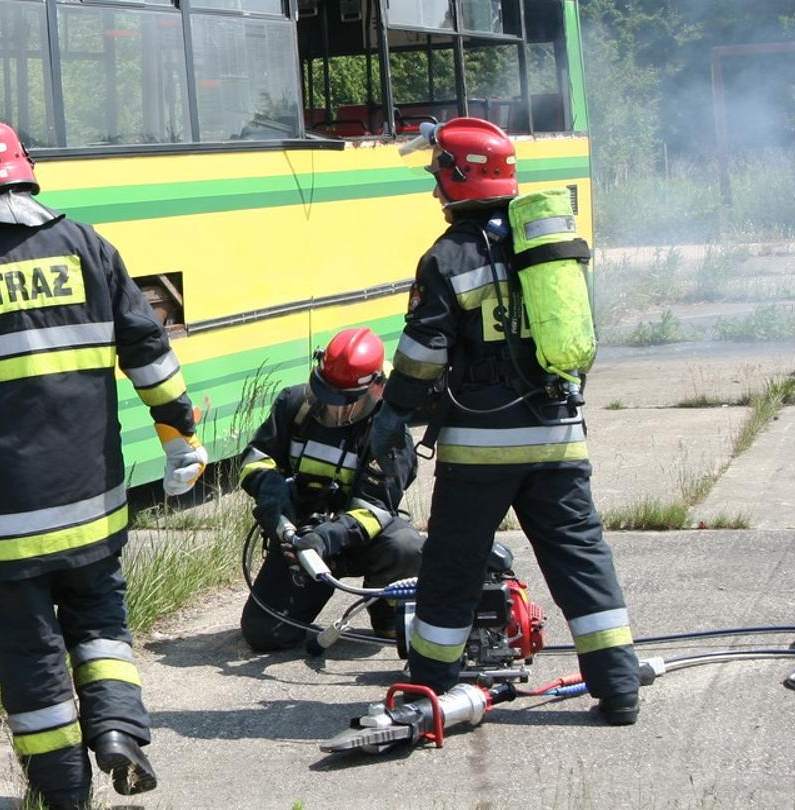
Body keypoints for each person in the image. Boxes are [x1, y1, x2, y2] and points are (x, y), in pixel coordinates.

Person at [0, 114, 206, 809]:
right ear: (23, 171)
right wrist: (179, 434)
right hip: (92, 503)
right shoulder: (87, 246)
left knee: (31, 655)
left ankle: (65, 794)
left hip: (3, 521)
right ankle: (120, 732)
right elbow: (150, 355)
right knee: (100, 624)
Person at [367, 117, 641, 725]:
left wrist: (394, 414)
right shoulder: (545, 248)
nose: (435, 187)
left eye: (440, 173)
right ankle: (619, 689)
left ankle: (430, 686)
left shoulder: (448, 256)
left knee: (453, 566)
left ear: (461, 177)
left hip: (481, 450)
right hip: (558, 438)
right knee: (580, 559)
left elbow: (423, 356)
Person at [237, 327, 423, 652]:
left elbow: (375, 509)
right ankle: (303, 599)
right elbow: (257, 458)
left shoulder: (389, 433)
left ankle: (388, 615)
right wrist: (269, 488)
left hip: (360, 541)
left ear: (376, 389)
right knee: (265, 634)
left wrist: (327, 538)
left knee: (404, 545)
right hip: (302, 541)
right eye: (325, 396)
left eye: (345, 403)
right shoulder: (294, 405)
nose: (333, 409)